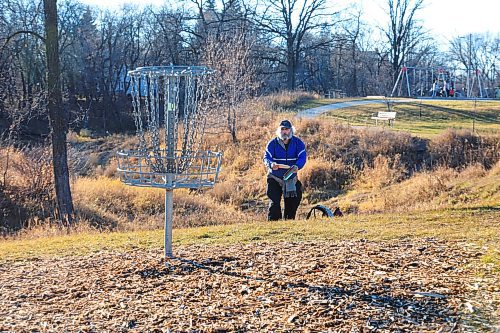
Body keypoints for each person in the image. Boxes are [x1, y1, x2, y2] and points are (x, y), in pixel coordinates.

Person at [263, 120, 307, 220]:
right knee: (274, 204)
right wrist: (271, 164)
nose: (284, 131)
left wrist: (297, 166)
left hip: (290, 178)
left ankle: (288, 224)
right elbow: (266, 158)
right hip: (275, 178)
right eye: (282, 129)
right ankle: (273, 226)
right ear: (279, 131)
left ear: (291, 130)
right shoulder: (272, 143)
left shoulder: (298, 143)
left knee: (293, 202)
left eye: (286, 129)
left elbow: (302, 157)